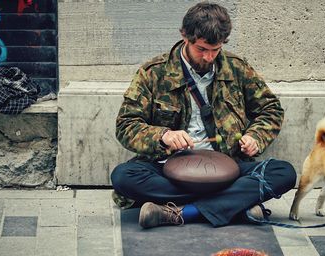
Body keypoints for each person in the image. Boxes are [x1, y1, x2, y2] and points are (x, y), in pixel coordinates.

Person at [111, 1, 296, 229]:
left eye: (215, 50)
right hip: (168, 169)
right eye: (201, 49)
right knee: (123, 176)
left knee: (284, 172)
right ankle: (234, 205)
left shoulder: (237, 69)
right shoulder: (153, 73)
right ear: (185, 37)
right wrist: (163, 136)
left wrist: (256, 137)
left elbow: (271, 109)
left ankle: (181, 212)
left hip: (226, 169)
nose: (209, 57)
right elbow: (125, 125)